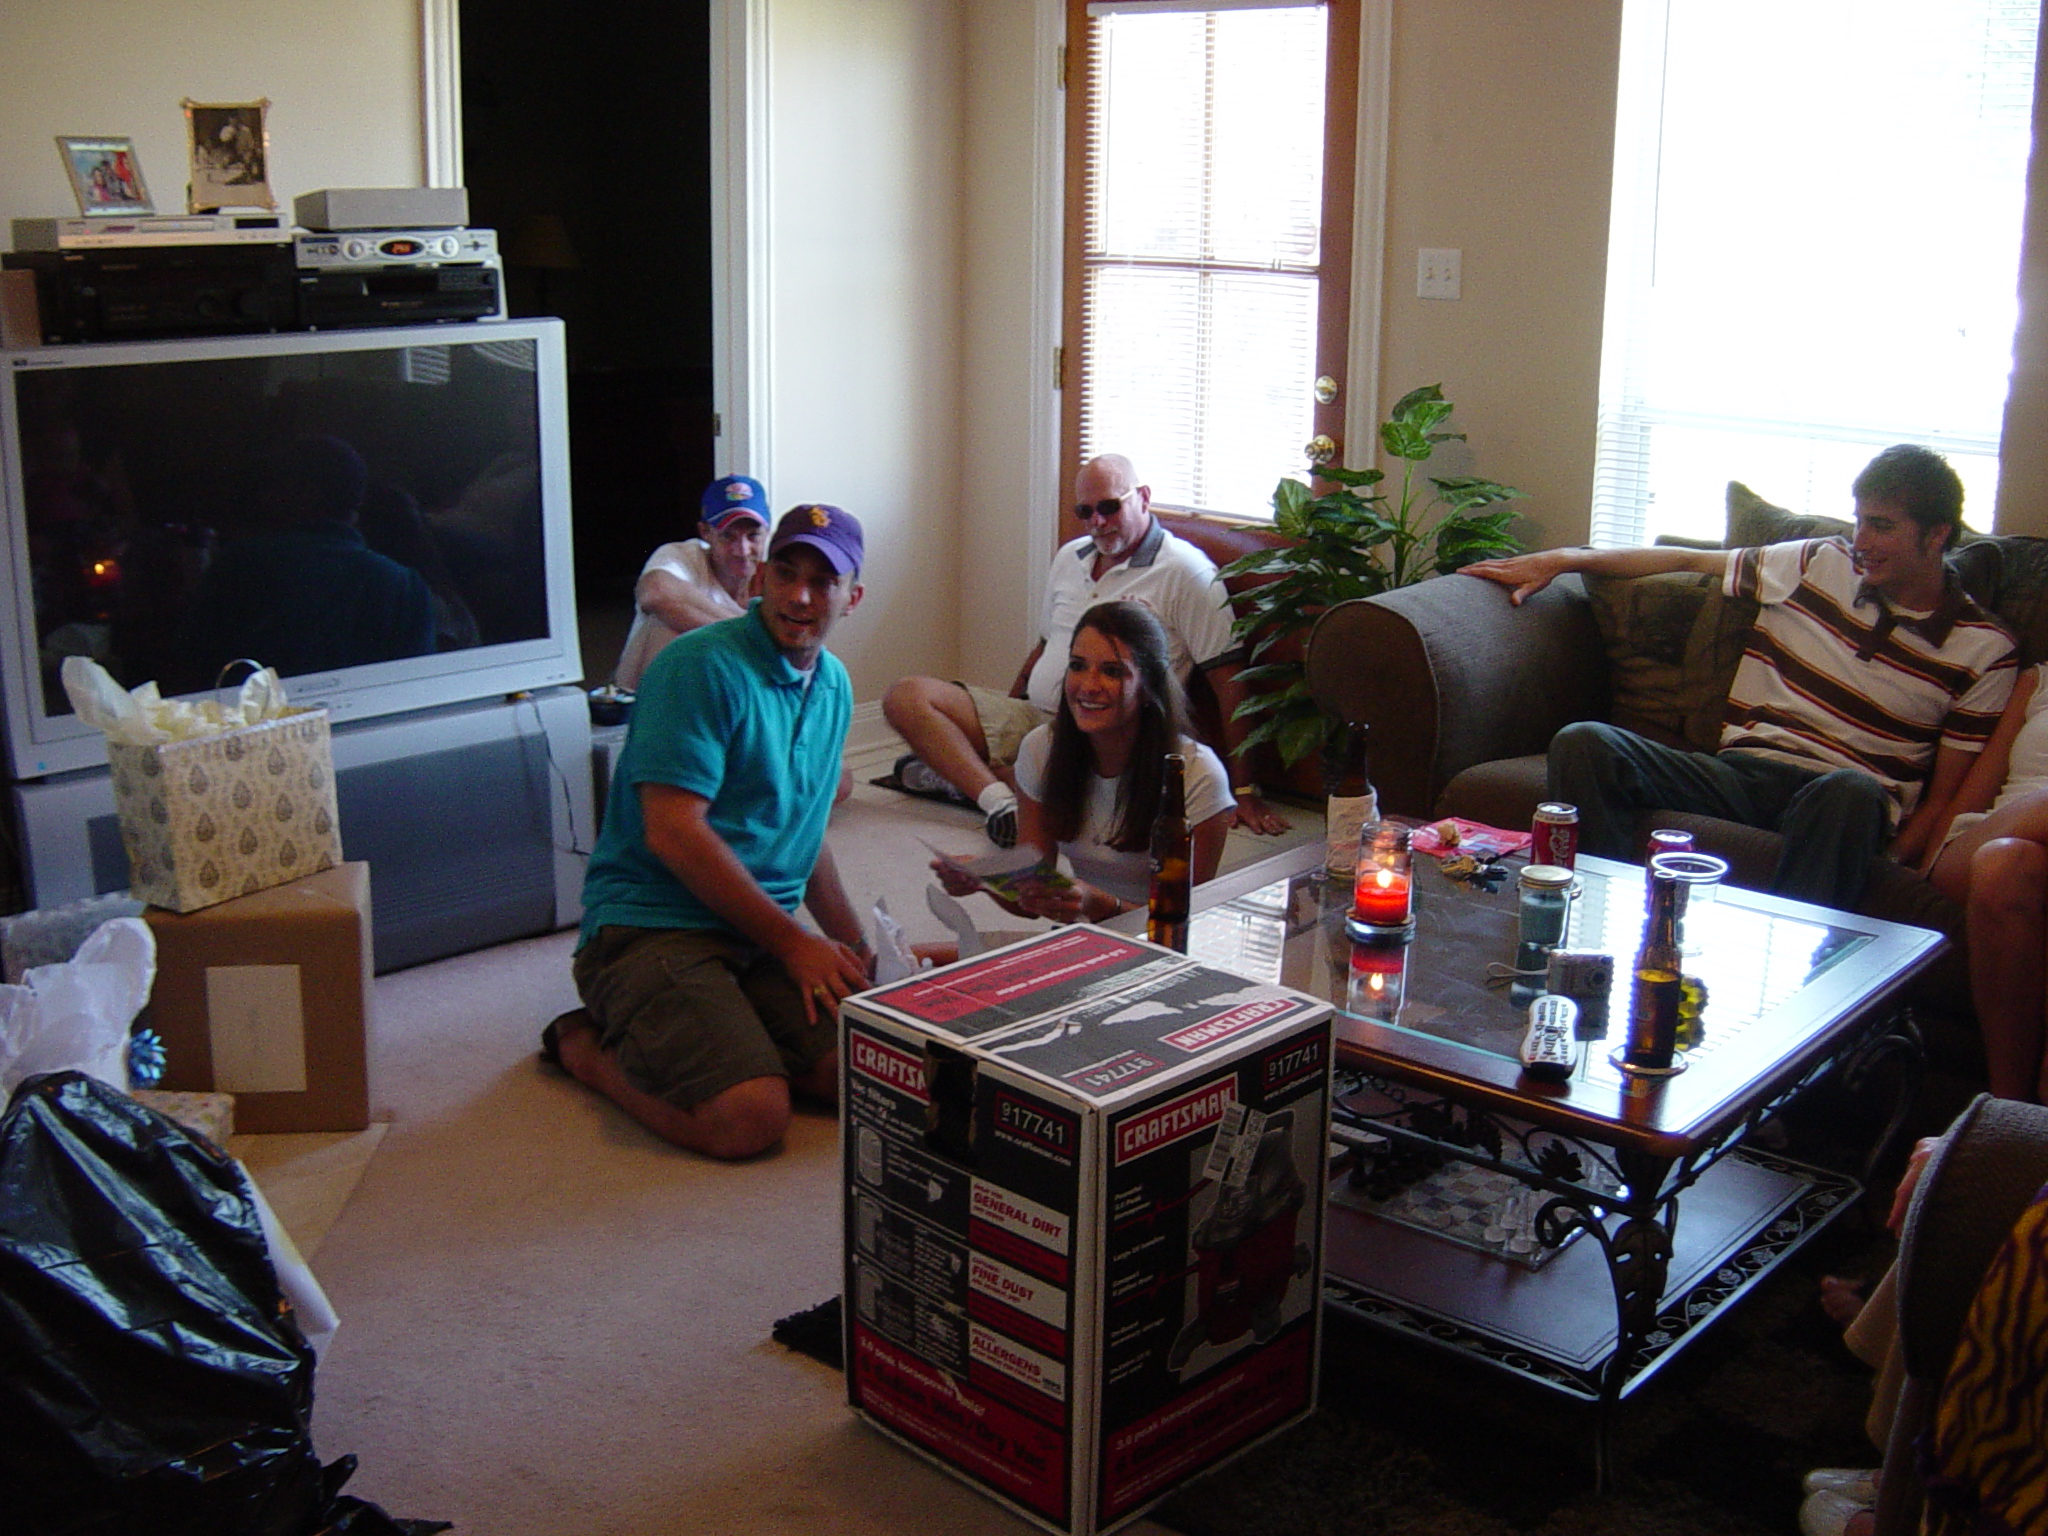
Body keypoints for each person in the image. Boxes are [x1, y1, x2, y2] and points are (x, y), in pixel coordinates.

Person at [1461, 445, 2017, 911]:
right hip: (1739, 775)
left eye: (1883, 526)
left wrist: (1899, 862)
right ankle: (1597, 915)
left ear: (1937, 535)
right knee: (1585, 742)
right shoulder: (1818, 563)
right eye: (1860, 520)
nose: (1862, 540)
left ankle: (1796, 969)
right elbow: (1686, 561)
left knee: (1851, 791)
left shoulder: (1985, 649)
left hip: (1839, 800)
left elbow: (1944, 798)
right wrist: (1565, 558)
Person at [548, 503, 871, 1160]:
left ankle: (734, 1029)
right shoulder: (697, 667)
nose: (800, 596)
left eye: (823, 582)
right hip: (650, 927)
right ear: (761, 578)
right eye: (787, 573)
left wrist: (857, 951)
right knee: (750, 1117)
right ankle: (585, 1048)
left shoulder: (834, 685)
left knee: (866, 1073)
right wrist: (793, 942)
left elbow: (804, 834)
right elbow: (673, 833)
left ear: (852, 598)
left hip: (754, 933)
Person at [882, 453, 1287, 849]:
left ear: (1144, 497)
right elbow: (1044, 648)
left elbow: (1229, 680)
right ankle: (1000, 802)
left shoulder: (1186, 572)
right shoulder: (1068, 557)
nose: (1098, 522)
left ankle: (977, 781)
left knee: (977, 762)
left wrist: (1244, 789)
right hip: (1040, 721)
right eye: (1085, 511)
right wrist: (1007, 722)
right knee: (906, 697)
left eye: (1109, 507)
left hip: (1113, 735)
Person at [933, 600, 1234, 925]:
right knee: (916, 954)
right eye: (1078, 666)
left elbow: (1184, 924)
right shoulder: (1041, 749)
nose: (1088, 686)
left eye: (1112, 671)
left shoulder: (1198, 775)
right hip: (1083, 935)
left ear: (1149, 687)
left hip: (1155, 945)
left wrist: (1103, 905)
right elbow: (1030, 901)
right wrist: (984, 878)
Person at [1912, 661, 2048, 1102]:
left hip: (2009, 861)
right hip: (1986, 833)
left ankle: (2004, 1109)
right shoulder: (2039, 680)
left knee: (2003, 866)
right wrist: (1922, 867)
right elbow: (1972, 791)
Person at [612, 473, 771, 691]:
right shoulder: (682, 556)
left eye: (753, 535)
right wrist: (752, 635)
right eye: (728, 536)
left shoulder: (775, 577)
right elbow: (655, 592)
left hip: (721, 694)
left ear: (767, 532)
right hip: (643, 692)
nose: (742, 550)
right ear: (705, 532)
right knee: (667, 623)